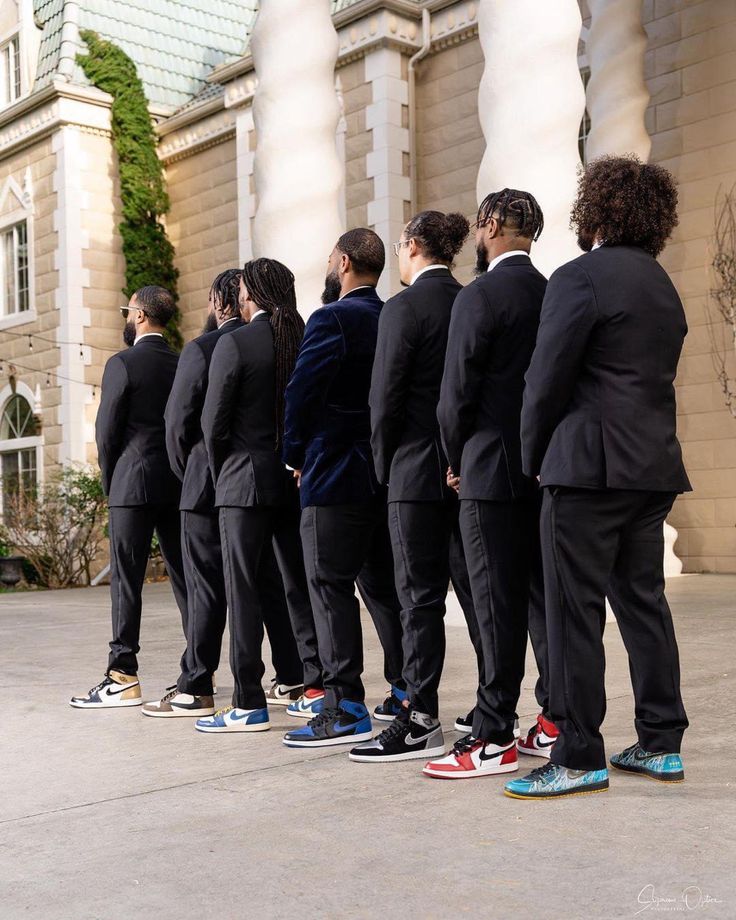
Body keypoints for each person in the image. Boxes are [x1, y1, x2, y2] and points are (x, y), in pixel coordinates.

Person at [506, 155, 690, 801]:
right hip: (651, 468)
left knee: (572, 613)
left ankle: (580, 754)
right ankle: (662, 742)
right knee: (643, 605)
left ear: (597, 210)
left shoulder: (579, 277)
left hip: (586, 471)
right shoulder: (663, 286)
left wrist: (531, 458)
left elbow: (544, 380)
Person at [424, 189, 550, 780]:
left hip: (486, 467)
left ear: (492, 226)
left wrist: (454, 457)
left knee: (496, 606)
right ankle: (553, 719)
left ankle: (494, 734)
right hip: (542, 470)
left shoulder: (481, 295)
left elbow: (455, 394)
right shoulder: (552, 291)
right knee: (541, 598)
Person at [142, 270, 306, 719]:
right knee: (272, 582)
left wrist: (192, 473)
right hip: (273, 481)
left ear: (221, 301)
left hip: (211, 482)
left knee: (209, 588)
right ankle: (293, 676)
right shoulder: (287, 338)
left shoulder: (206, 347)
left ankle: (198, 683)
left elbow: (178, 425)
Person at [349, 210, 478, 764]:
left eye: (401, 245)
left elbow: (385, 399)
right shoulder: (473, 299)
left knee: (418, 599)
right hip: (468, 469)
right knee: (477, 597)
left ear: (415, 247)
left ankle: (421, 716)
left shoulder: (403, 308)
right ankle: (495, 710)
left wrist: (383, 468)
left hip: (414, 468)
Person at [281, 229, 406, 749]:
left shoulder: (332, 318)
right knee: (383, 589)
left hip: (332, 473)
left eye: (332, 259)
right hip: (383, 476)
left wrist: (293, 455)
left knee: (329, 588)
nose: (329, 266)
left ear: (346, 263)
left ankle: (344, 706)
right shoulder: (392, 316)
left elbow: (302, 391)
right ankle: (404, 690)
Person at [195, 258, 317, 733]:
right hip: (293, 480)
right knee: (298, 584)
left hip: (242, 482)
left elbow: (213, 423)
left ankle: (248, 701)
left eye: (244, 290)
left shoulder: (235, 342)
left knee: (243, 590)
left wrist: (224, 465)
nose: (240, 297)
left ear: (253, 296)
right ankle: (314, 685)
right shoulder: (302, 337)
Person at [71, 286, 188, 708]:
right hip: (177, 484)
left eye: (127, 311)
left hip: (131, 484)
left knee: (126, 581)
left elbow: (107, 432)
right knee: (186, 578)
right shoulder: (183, 362)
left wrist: (110, 482)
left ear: (139, 316)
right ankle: (196, 673)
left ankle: (123, 675)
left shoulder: (122, 362)